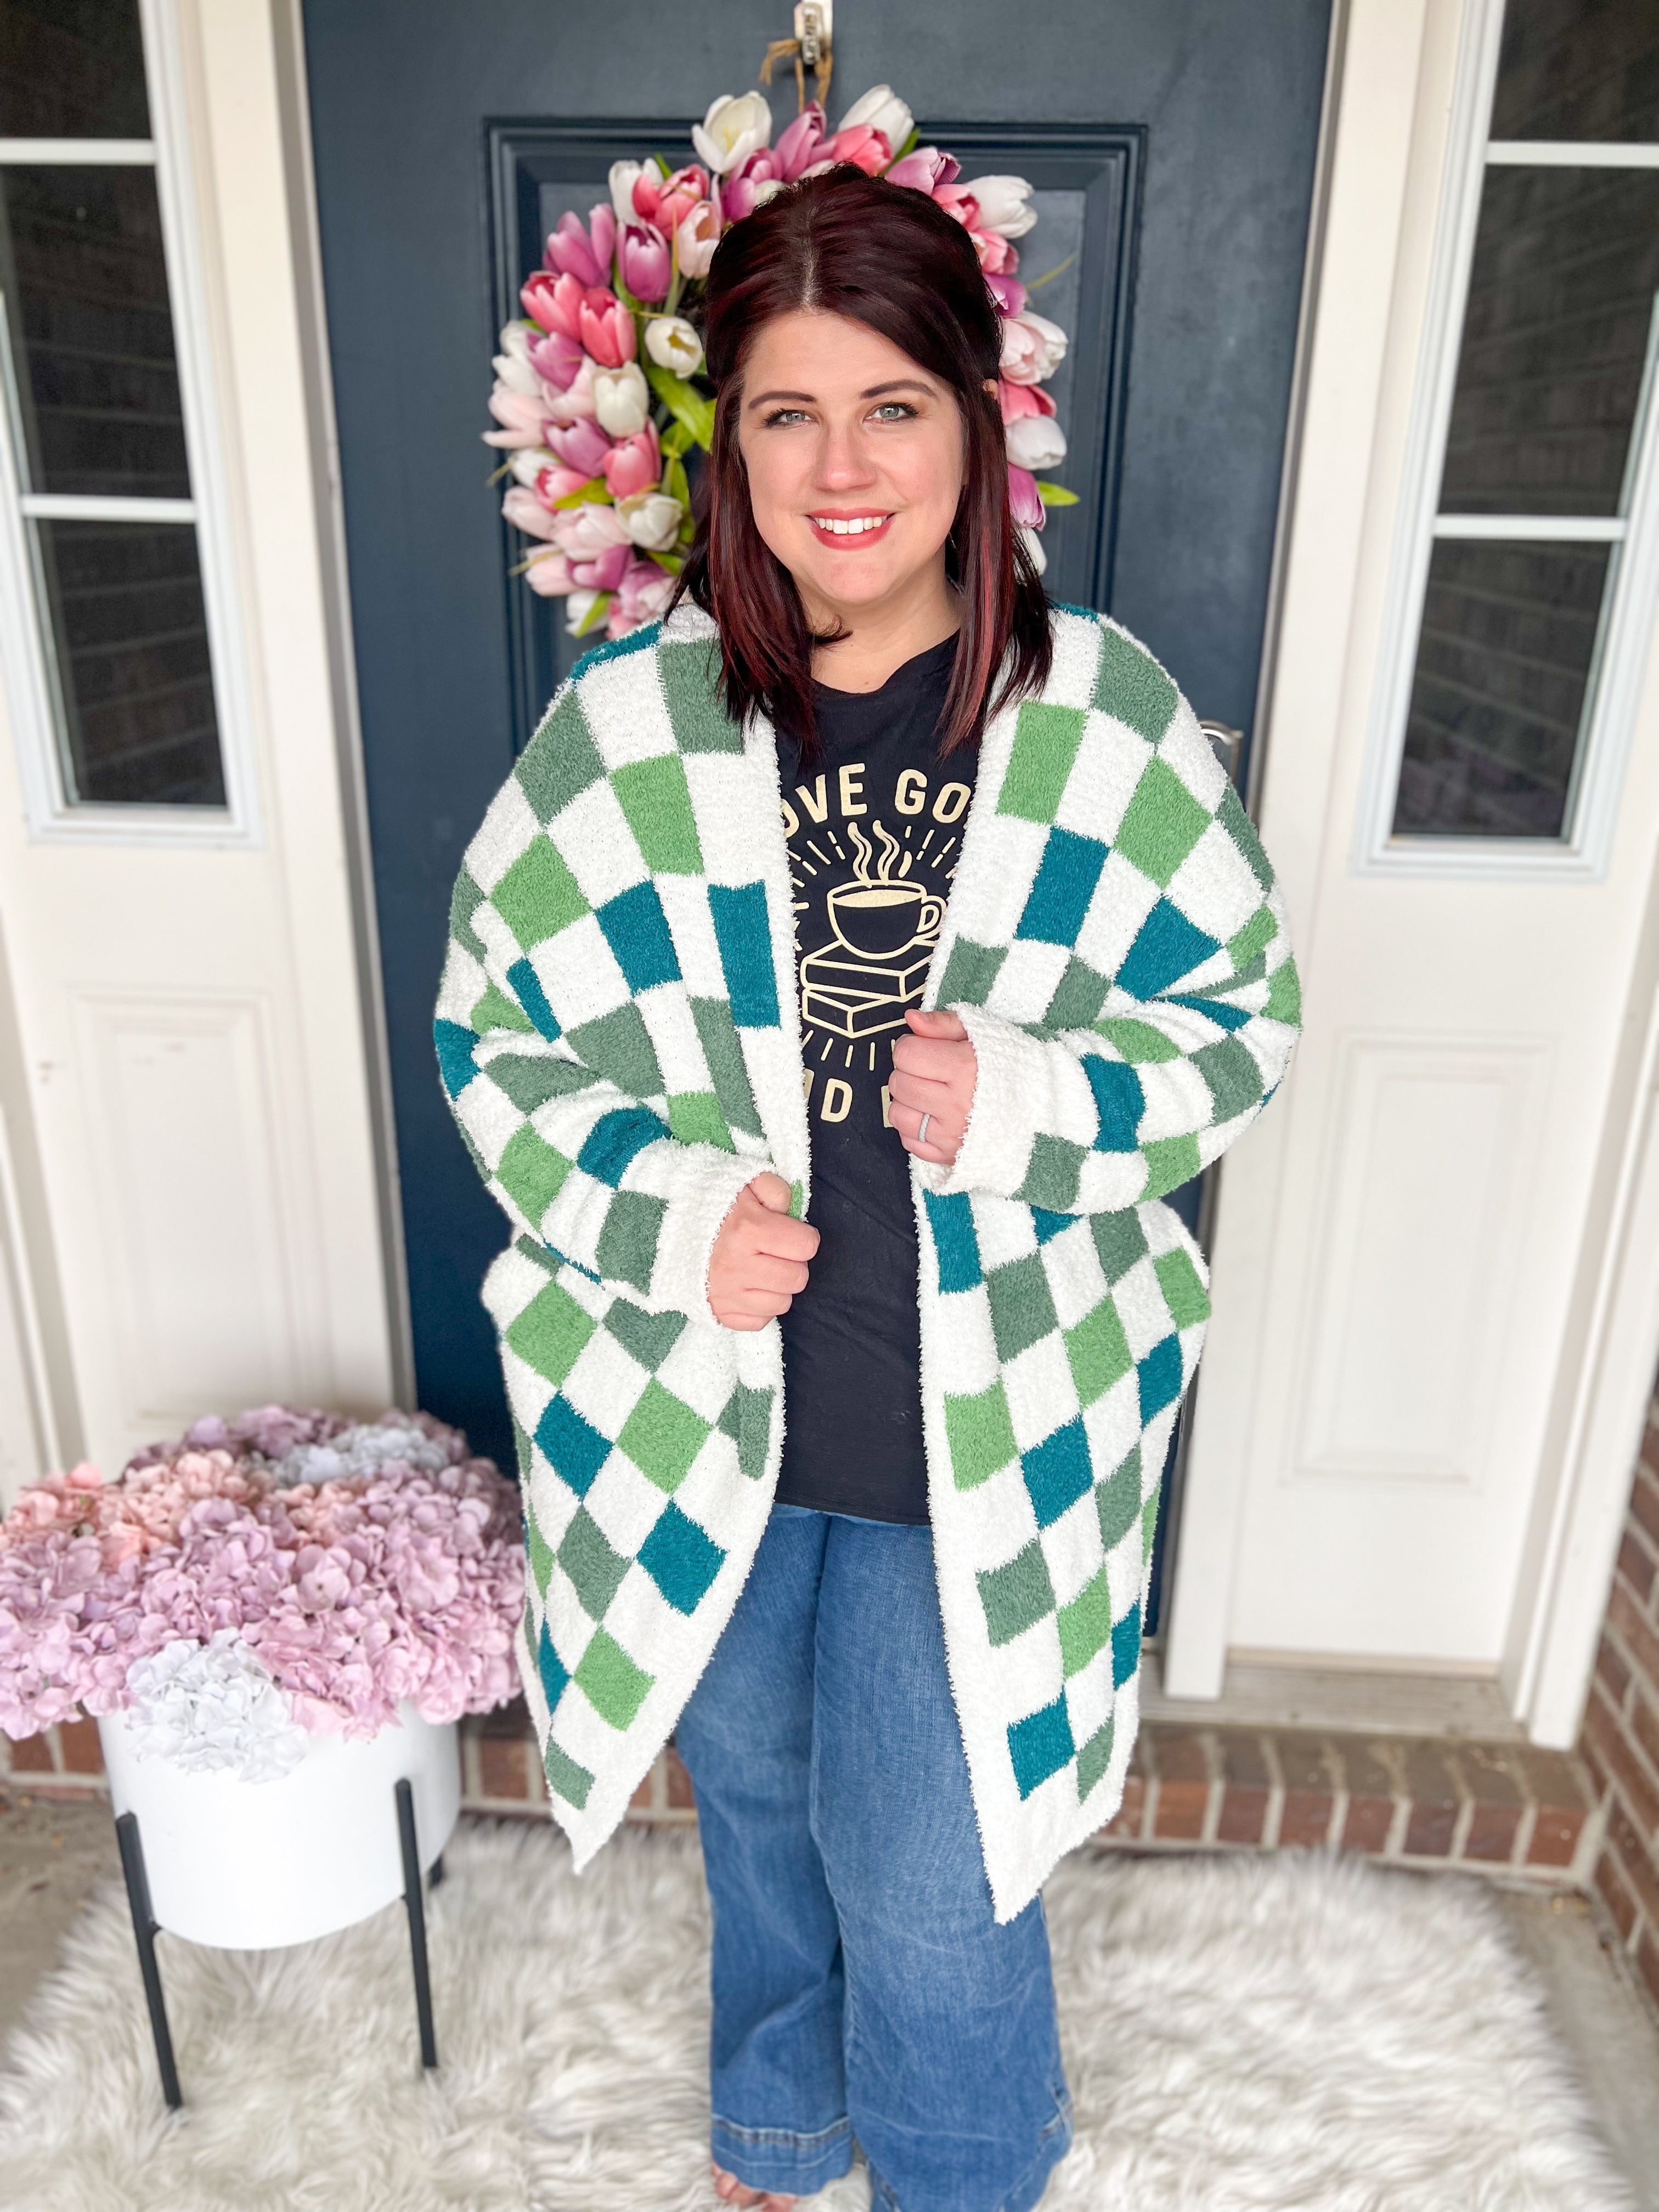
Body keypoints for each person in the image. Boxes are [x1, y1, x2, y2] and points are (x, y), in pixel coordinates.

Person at [435, 166, 1300, 2212]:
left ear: (977, 423)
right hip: (705, 1397)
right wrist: (662, 1214)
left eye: (893, 405)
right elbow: (498, 1035)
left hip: (970, 1423)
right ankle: (774, 2126)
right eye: (787, 416)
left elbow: (1237, 1023)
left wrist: (1022, 1103)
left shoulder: (1102, 726)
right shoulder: (631, 732)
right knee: (751, 1793)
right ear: (724, 447)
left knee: (931, 1858)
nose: (843, 468)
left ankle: (957, 2165)